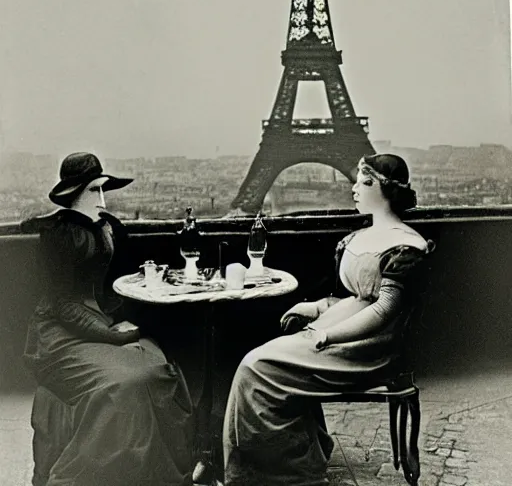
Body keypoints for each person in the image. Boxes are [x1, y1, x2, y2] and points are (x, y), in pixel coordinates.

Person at [222, 154, 435, 486]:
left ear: (388, 191)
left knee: (256, 367)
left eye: (365, 182)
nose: (354, 188)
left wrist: (330, 336)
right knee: (256, 364)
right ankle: (290, 461)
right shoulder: (359, 237)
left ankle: (282, 474)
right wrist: (317, 308)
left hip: (367, 350)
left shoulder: (407, 246)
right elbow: (353, 298)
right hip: (334, 333)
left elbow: (382, 312)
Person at [23, 152, 193, 486]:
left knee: (156, 369)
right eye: (93, 191)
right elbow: (62, 305)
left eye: (104, 191)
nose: (102, 200)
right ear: (73, 196)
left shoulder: (109, 227)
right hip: (58, 335)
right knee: (124, 384)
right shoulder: (58, 235)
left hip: (102, 324)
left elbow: (120, 280)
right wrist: (114, 335)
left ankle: (147, 475)